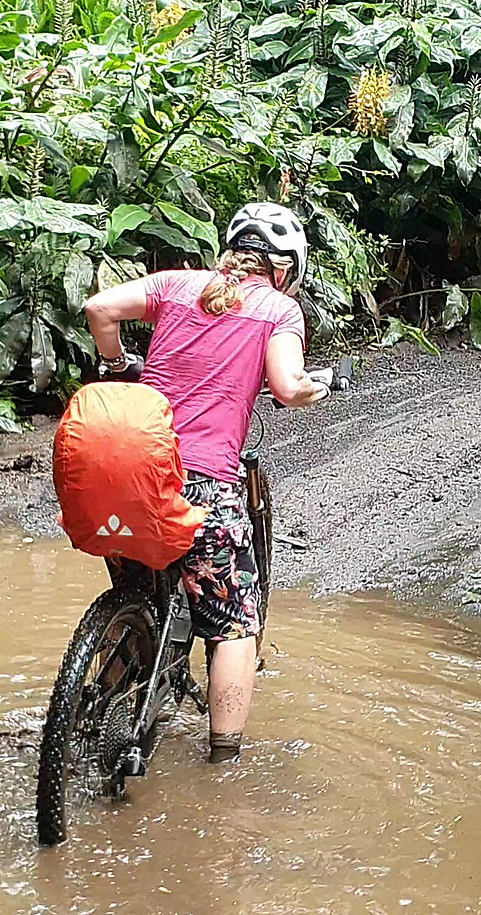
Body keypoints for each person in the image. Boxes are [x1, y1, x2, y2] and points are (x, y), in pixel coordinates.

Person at [81, 202, 331, 764]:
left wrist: (120, 365)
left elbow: (99, 308)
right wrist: (319, 386)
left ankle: (97, 712)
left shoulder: (175, 284)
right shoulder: (279, 309)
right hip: (200, 485)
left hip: (127, 474)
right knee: (236, 623)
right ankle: (223, 761)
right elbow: (288, 388)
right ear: (285, 268)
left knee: (138, 593)